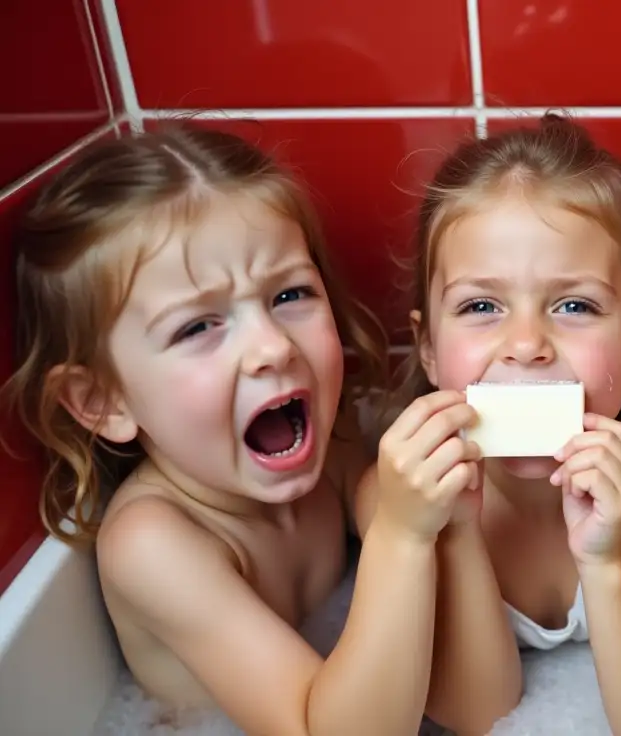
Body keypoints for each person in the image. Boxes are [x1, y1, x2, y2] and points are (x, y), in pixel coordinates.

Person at [0, 125, 457, 735]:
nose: (271, 347)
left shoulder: (334, 444)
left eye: (289, 293)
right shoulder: (154, 543)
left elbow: (383, 499)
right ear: (102, 399)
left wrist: (402, 508)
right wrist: (401, 536)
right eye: (197, 328)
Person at [354, 113, 621, 735]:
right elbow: (481, 717)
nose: (526, 344)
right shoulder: (399, 497)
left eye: (574, 305)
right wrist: (456, 531)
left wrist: (608, 562)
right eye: (481, 306)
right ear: (427, 349)